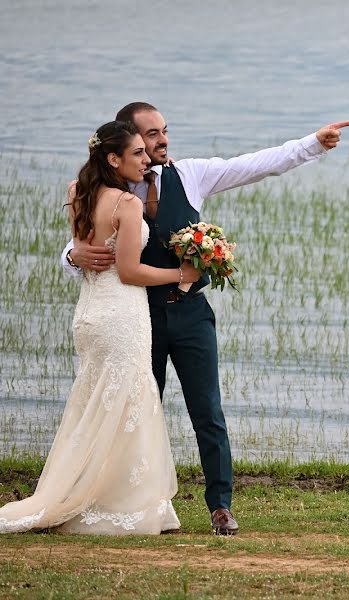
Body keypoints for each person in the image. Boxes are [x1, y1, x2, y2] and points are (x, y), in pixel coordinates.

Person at [61, 103, 349, 535]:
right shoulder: (111, 192)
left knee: (208, 411)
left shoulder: (191, 174)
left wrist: (313, 144)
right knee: (137, 410)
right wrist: (71, 256)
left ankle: (220, 506)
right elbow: (79, 245)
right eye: (150, 136)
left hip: (192, 317)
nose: (161, 142)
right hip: (139, 318)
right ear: (129, 143)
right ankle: (134, 502)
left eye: (164, 132)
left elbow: (256, 165)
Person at [1, 121, 202, 535]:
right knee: (127, 398)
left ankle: (98, 491)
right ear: (114, 159)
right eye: (137, 154)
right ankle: (122, 502)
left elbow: (82, 250)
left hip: (90, 314)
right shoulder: (125, 205)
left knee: (95, 401)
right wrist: (181, 275)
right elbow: (129, 271)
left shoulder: (78, 192)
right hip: (122, 315)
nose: (147, 160)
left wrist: (74, 256)